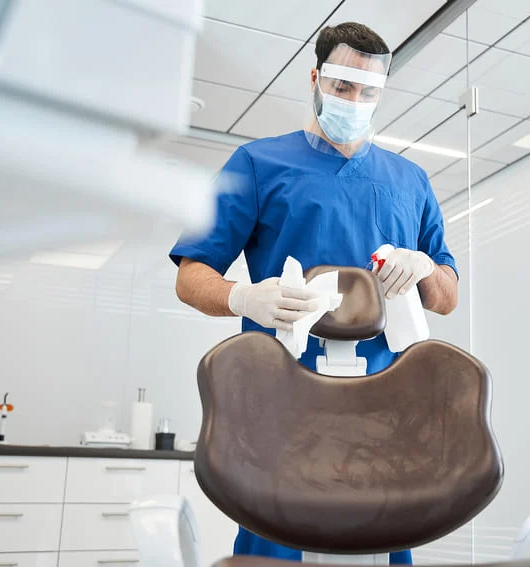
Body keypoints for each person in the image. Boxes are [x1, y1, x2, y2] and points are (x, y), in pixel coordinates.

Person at [170, 21, 458, 564]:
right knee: (275, 544)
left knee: (378, 542)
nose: (354, 100)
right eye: (342, 86)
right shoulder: (259, 164)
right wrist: (243, 298)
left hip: (383, 413)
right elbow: (191, 275)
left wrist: (423, 267)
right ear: (315, 78)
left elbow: (446, 297)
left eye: (368, 91)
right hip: (282, 407)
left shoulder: (410, 181)